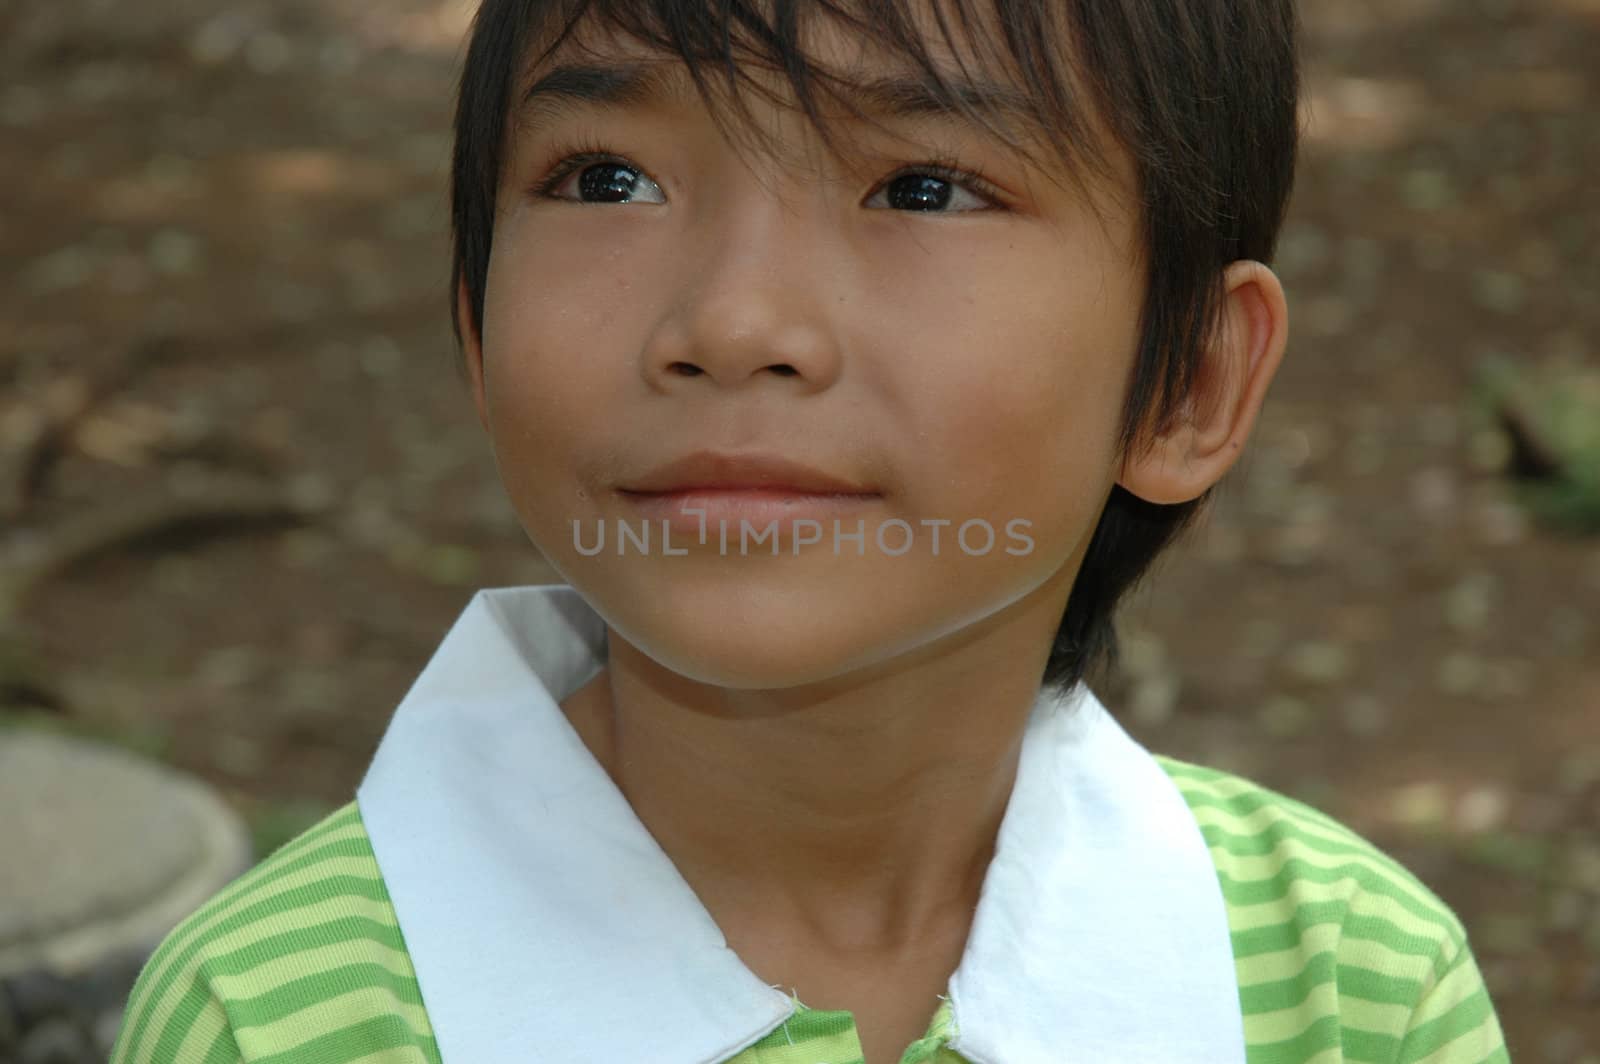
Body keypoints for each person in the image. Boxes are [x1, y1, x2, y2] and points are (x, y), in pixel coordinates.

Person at [111, 0, 1513, 1060]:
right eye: (607, 178)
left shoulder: (1352, 993)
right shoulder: (277, 1017)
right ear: (474, 320)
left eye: (924, 186)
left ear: (1191, 380)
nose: (732, 324)